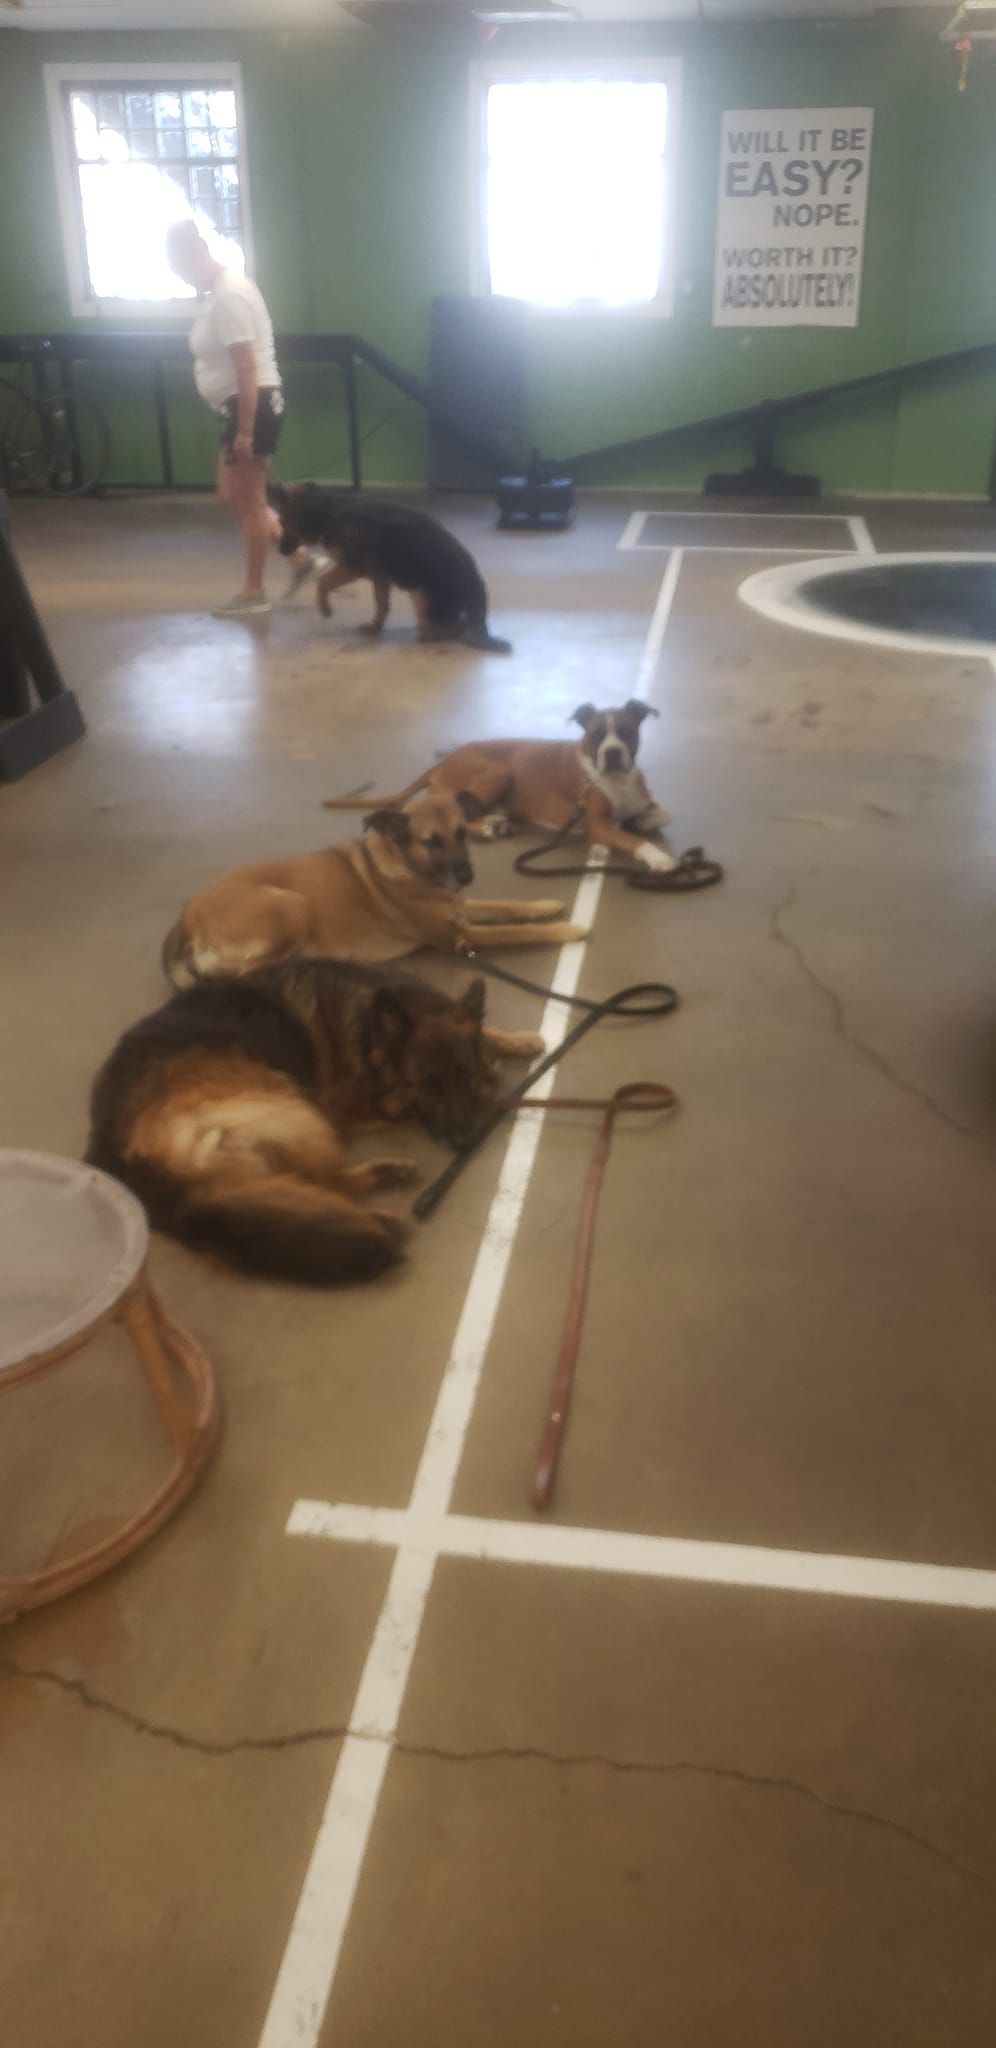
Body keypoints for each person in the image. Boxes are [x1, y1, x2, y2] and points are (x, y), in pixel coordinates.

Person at [165, 218, 310, 619]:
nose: (179, 276)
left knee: (250, 503)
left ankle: (254, 591)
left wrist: (246, 430)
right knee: (233, 495)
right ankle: (300, 557)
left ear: (194, 255)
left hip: (253, 405)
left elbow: (246, 367)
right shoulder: (217, 293)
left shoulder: (229, 294)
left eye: (178, 267)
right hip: (239, 407)